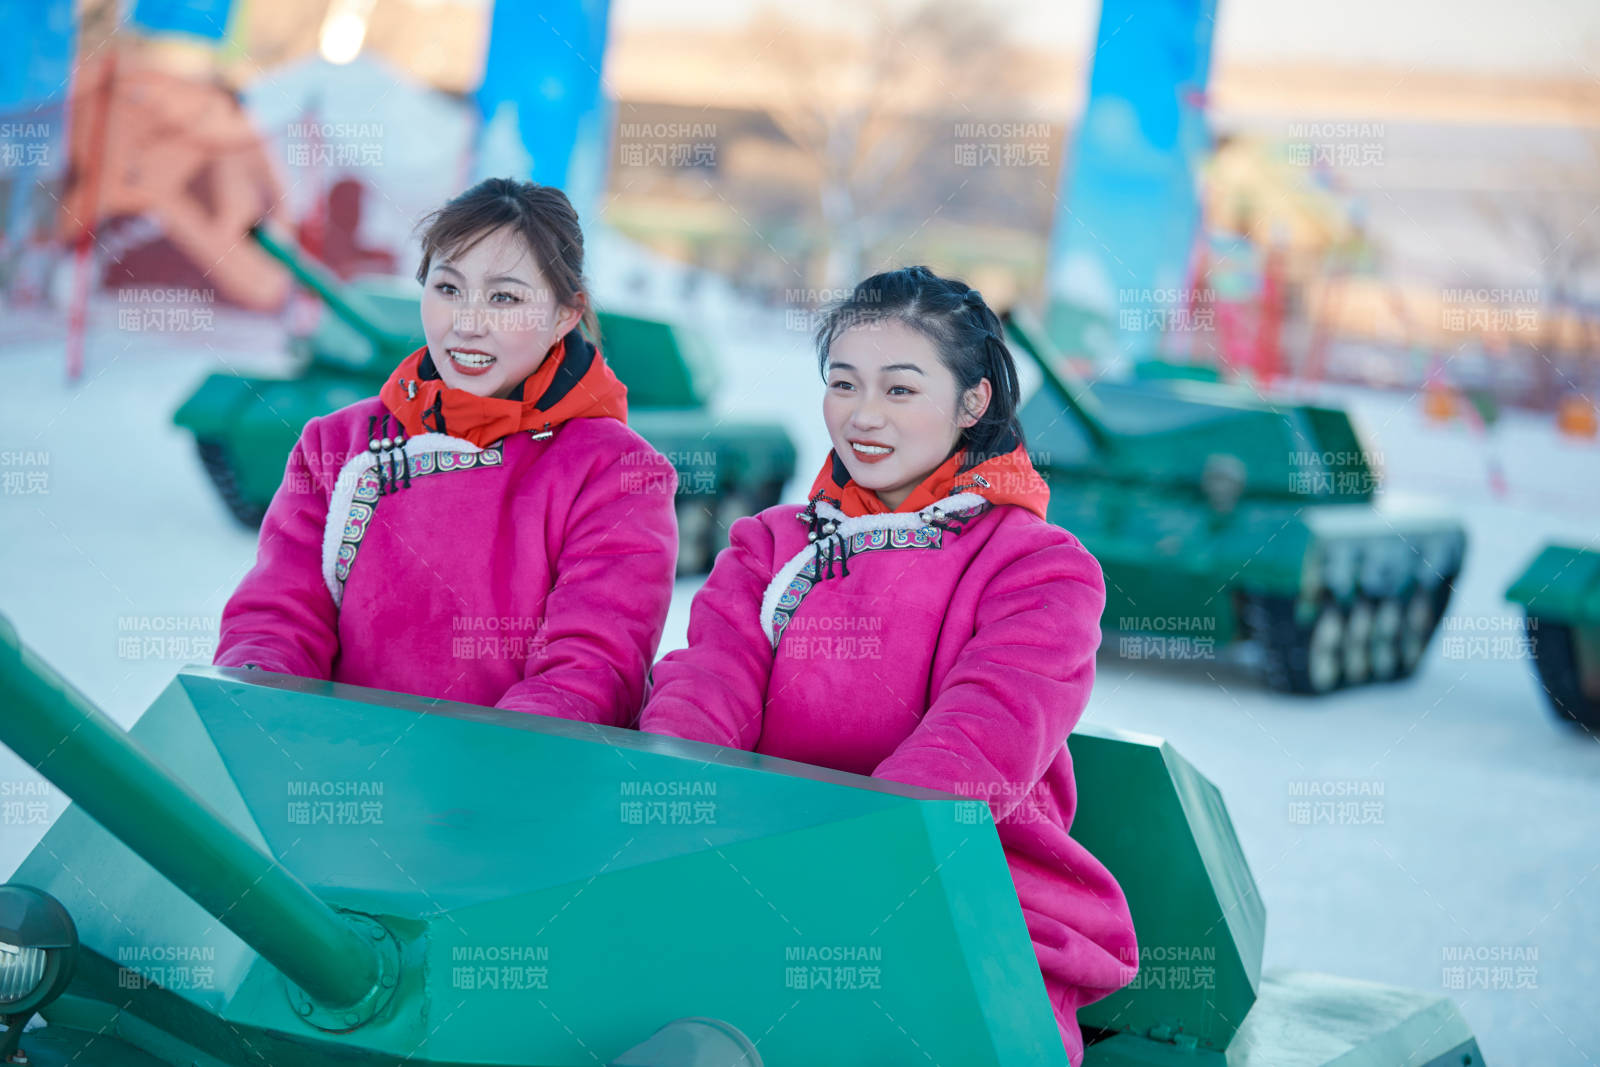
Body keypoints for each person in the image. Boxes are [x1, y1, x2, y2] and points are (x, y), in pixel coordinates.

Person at [639, 265, 1136, 1064]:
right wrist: (673, 801)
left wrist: (845, 868)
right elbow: (706, 690)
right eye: (844, 383)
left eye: (900, 390)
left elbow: (978, 743)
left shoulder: (1039, 569)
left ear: (973, 402)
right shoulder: (771, 544)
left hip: (957, 898)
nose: (862, 416)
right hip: (751, 872)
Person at [216, 178, 677, 725]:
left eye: (504, 297)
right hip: (341, 770)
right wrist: (259, 707)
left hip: (513, 791)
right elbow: (278, 618)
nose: (467, 323)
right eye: (448, 288)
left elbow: (592, 666)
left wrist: (486, 771)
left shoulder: (616, 473)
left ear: (565, 316)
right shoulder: (336, 446)